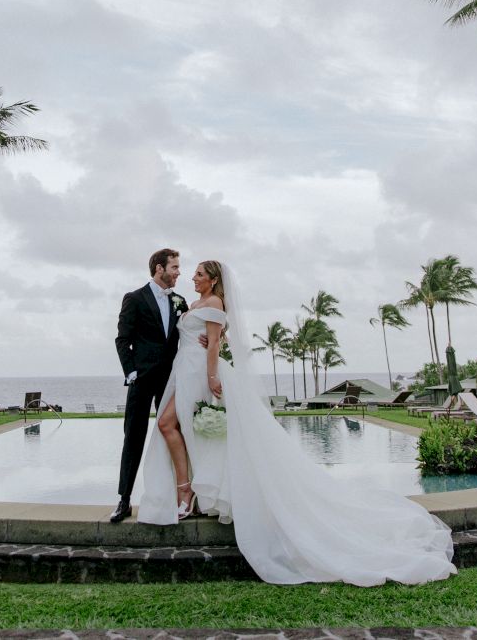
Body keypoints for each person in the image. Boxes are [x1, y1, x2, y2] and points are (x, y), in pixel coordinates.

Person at [136, 260, 457, 586]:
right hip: (183, 372)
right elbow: (207, 337)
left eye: (200, 274)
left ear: (214, 279)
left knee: (183, 428)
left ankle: (193, 493)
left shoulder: (216, 302)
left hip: (203, 376)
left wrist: (212, 376)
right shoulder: (190, 304)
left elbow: (215, 342)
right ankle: (191, 492)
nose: (192, 276)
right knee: (182, 429)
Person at [109, 248, 187, 523]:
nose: (179, 272)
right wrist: (131, 372)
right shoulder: (135, 298)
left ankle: (175, 498)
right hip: (141, 380)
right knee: (134, 437)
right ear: (159, 268)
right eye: (175, 267)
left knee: (172, 434)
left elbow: (186, 336)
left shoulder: (180, 301)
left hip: (170, 380)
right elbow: (122, 339)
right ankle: (124, 500)